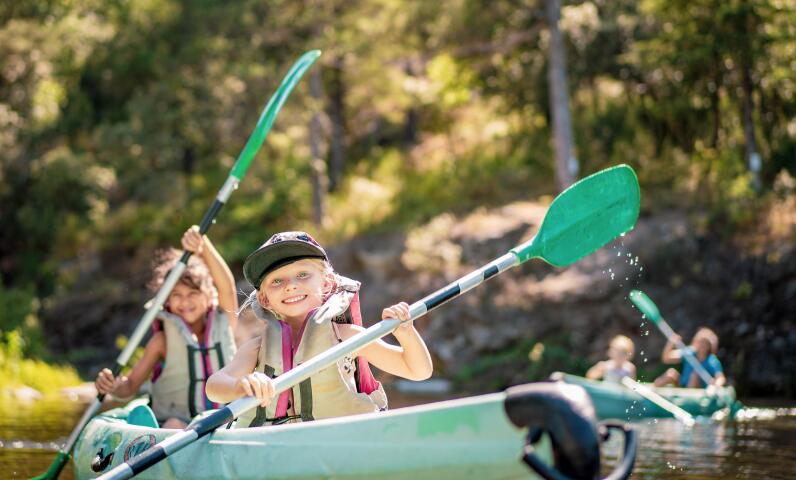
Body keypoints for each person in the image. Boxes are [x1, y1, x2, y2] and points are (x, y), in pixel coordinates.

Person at [206, 231, 433, 427]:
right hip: (277, 447)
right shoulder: (256, 348)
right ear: (264, 299)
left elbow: (417, 371)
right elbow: (214, 387)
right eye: (277, 281)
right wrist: (241, 385)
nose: (291, 286)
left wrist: (406, 333)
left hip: (338, 440)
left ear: (326, 284)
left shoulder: (347, 336)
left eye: (302, 275)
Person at [95, 226, 238, 428]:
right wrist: (113, 386)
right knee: (173, 424)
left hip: (225, 422)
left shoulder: (225, 321)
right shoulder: (161, 341)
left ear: (209, 296)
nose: (185, 301)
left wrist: (203, 244)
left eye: (193, 293)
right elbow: (130, 386)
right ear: (167, 300)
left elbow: (228, 287)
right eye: (176, 295)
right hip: (178, 426)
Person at [654, 327, 726, 388]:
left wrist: (716, 386)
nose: (702, 346)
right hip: (682, 386)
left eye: (705, 343)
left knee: (694, 375)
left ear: (709, 346)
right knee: (671, 373)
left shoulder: (712, 360)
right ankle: (652, 393)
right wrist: (670, 343)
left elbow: (720, 378)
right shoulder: (690, 353)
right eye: (700, 342)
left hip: (699, 391)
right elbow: (666, 358)